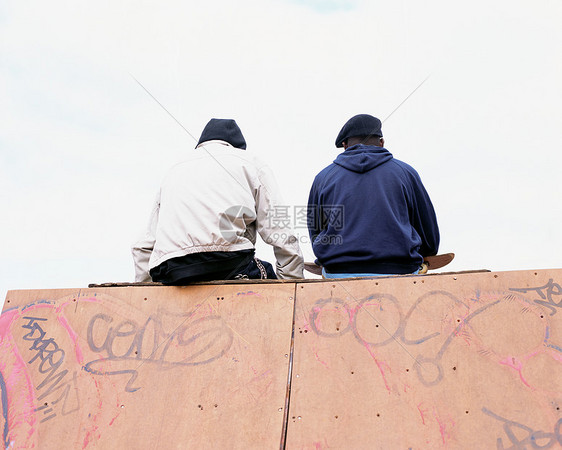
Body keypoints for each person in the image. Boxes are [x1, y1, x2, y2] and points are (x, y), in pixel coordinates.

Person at [132, 118, 304, 284]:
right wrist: (292, 282)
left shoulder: (174, 169)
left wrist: (147, 290)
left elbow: (144, 244)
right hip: (227, 262)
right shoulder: (250, 163)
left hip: (172, 268)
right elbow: (279, 230)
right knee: (268, 280)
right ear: (238, 148)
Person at [307, 114, 439, 278]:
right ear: (382, 142)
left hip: (338, 271)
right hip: (400, 270)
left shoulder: (323, 178)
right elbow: (428, 234)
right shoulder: (406, 173)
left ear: (344, 145)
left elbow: (316, 233)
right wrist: (425, 252)